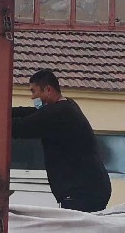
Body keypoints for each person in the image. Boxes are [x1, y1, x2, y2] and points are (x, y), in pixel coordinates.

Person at [11, 69, 112, 212]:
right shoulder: (66, 106)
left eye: (34, 91)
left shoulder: (59, 113)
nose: (32, 97)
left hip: (82, 191)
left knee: (75, 225)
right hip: (90, 188)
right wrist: (1, 111)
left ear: (48, 90)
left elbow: (21, 127)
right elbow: (30, 113)